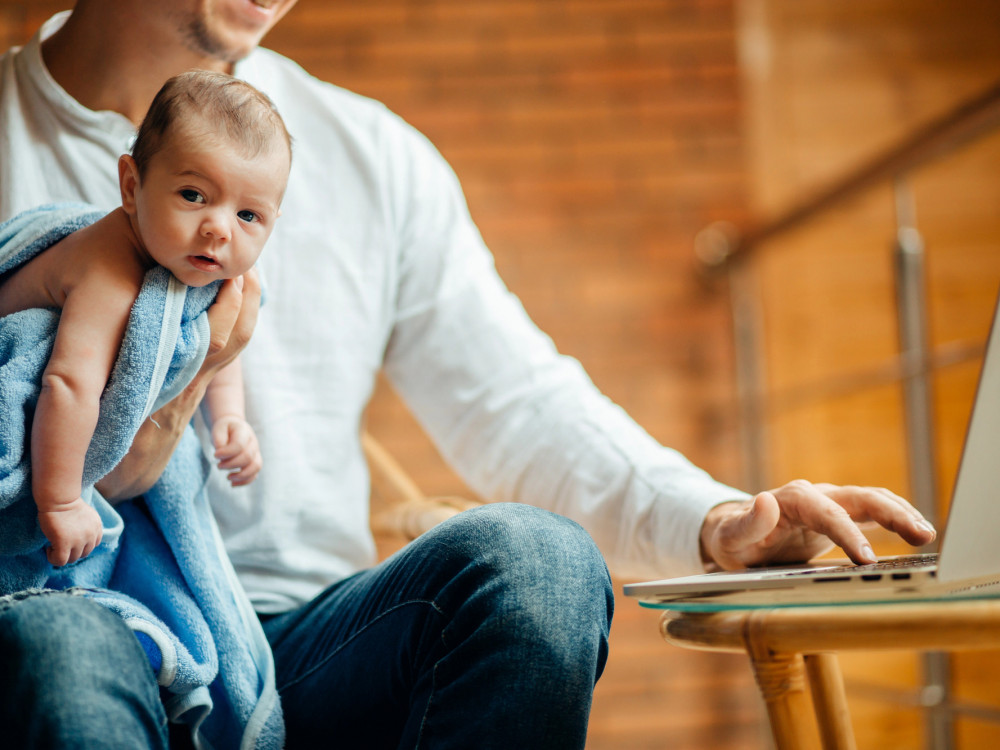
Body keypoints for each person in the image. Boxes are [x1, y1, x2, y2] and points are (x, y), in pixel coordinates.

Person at [0, 2, 937, 748]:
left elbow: (518, 403)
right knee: (60, 646)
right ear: (132, 184)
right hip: (67, 610)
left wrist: (718, 522)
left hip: (308, 641)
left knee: (541, 561)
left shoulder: (372, 157)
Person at [0, 69, 289, 567]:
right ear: (132, 186)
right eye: (193, 195)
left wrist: (230, 418)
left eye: (248, 216)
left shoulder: (201, 270)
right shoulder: (108, 272)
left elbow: (213, 347)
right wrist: (63, 500)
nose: (219, 228)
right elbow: (69, 383)